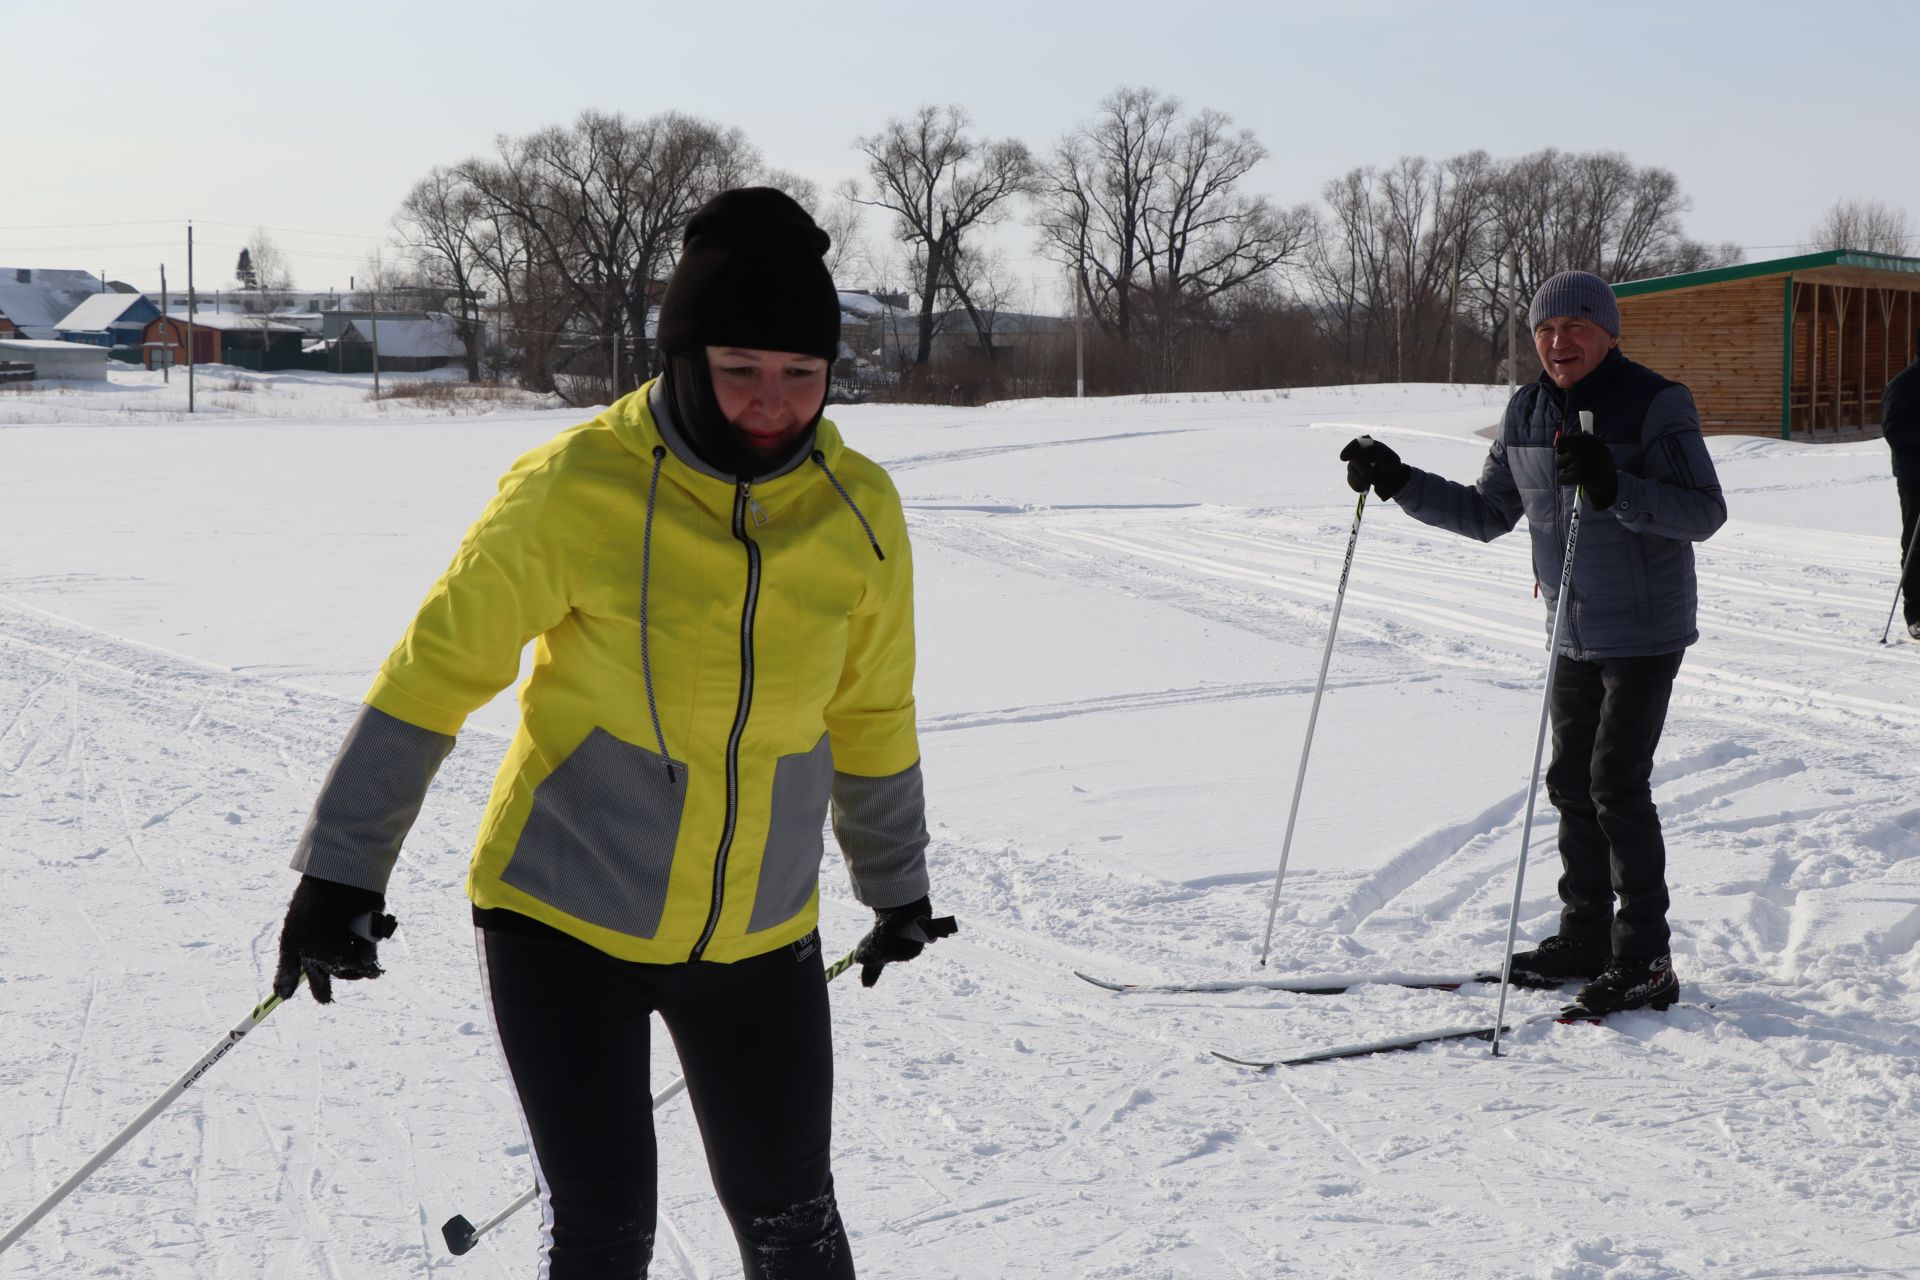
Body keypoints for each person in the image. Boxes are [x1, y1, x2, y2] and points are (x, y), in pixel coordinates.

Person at [270, 187, 955, 1278]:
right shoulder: (577, 486)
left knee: (794, 1222)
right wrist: (343, 869)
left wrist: (897, 881)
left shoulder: (860, 509)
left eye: (803, 375)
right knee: (603, 1225)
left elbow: (871, 707)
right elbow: (436, 673)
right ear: (685, 357)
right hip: (562, 917)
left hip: (760, 932)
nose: (773, 404)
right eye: (741, 370)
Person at [1339, 270, 1726, 1016]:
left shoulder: (1654, 402)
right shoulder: (1526, 410)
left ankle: (1645, 956)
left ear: (1609, 332)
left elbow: (1703, 512)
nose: (1558, 343)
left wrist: (1617, 489)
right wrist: (1398, 480)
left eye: (1575, 328)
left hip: (1645, 631)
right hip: (1570, 631)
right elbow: (1488, 513)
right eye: (1545, 331)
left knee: (1616, 784)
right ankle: (1583, 937)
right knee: (1571, 784)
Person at [1882, 330, 1920, 639]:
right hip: (1915, 475)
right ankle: (1915, 613)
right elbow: (1894, 431)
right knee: (1917, 543)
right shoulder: (1904, 384)